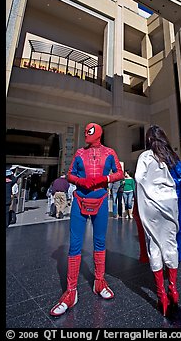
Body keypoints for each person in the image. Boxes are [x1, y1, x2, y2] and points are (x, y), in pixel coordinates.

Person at [50, 122, 124, 316]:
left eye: (90, 131)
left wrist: (104, 180)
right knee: (74, 245)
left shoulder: (109, 152)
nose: (86, 134)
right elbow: (70, 174)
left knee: (99, 243)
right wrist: (81, 181)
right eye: (85, 131)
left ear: (98, 133)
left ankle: (99, 282)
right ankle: (71, 291)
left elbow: (119, 173)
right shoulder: (79, 153)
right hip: (79, 200)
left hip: (100, 200)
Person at [134, 125, 181, 317]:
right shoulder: (171, 155)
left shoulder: (145, 156)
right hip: (170, 204)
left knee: (154, 246)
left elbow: (138, 177)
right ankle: (173, 289)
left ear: (148, 139)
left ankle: (161, 295)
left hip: (150, 206)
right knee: (170, 245)